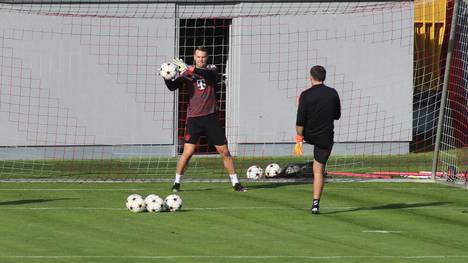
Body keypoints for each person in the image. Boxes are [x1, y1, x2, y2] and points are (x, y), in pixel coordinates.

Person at [163, 46, 246, 192]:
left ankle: (236, 183)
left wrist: (190, 69)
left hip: (210, 118)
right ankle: (176, 183)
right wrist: (167, 76)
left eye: (203, 57)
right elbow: (172, 87)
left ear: (206, 58)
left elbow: (206, 75)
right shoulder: (187, 74)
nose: (201, 59)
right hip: (194, 119)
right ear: (194, 57)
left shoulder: (212, 69)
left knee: (224, 151)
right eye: (198, 57)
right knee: (187, 153)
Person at [294, 65, 341, 214]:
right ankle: (315, 204)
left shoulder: (305, 95)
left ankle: (315, 203)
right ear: (324, 77)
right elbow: (337, 115)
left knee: (316, 168)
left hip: (310, 135)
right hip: (325, 137)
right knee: (319, 170)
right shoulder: (333, 93)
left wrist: (299, 139)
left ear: (311, 77)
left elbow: (300, 121)